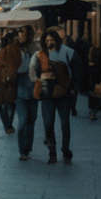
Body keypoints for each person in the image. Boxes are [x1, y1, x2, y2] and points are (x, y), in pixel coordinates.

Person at [29, 29, 78, 164]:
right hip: (47, 95)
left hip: (63, 94)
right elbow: (32, 73)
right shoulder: (39, 55)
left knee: (64, 124)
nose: (50, 42)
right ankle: (52, 152)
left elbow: (76, 68)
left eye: (52, 40)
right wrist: (41, 77)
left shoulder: (67, 51)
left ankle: (66, 151)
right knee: (48, 123)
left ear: (57, 40)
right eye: (47, 41)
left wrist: (73, 86)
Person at [13, 25, 40, 161]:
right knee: (23, 120)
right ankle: (22, 150)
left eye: (22, 31)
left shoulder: (36, 48)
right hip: (20, 90)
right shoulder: (15, 48)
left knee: (32, 119)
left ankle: (28, 148)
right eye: (19, 32)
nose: (20, 34)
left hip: (34, 90)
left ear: (29, 34)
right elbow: (15, 68)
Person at [0, 31, 21, 135]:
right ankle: (8, 125)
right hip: (11, 78)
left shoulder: (2, 51)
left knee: (3, 101)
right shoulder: (13, 49)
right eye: (15, 39)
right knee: (10, 101)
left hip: (3, 79)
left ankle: (7, 125)